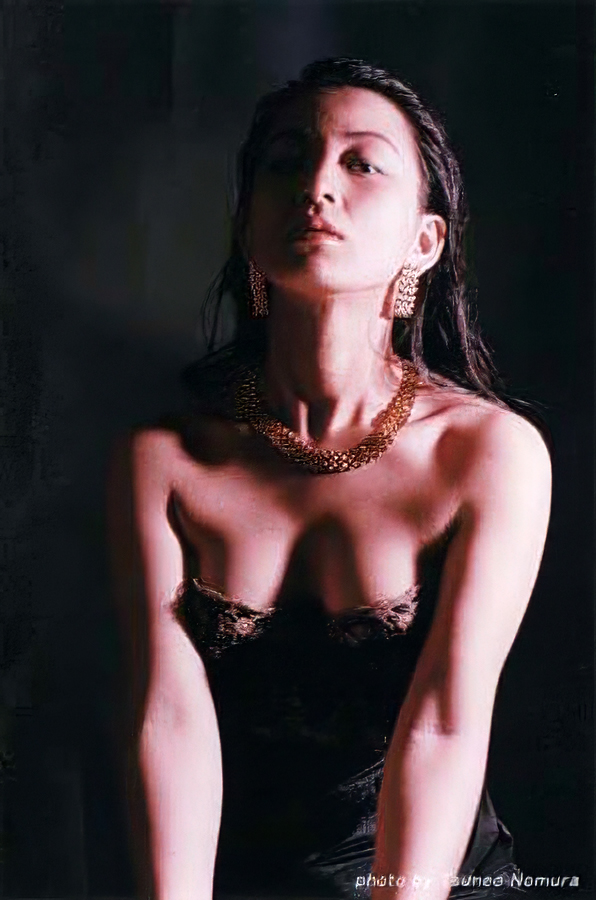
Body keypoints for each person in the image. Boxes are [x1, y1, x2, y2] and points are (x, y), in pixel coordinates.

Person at [107, 58, 552, 900]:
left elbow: (445, 725)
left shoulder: (487, 453)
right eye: (286, 161)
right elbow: (167, 718)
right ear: (247, 228)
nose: (316, 186)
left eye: (362, 163)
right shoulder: (165, 456)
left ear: (425, 242)